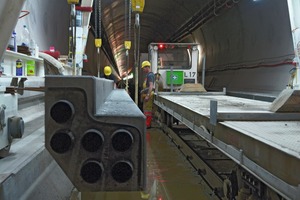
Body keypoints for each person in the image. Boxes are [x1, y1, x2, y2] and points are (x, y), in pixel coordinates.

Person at [140, 60, 155, 128]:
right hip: (146, 94)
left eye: (143, 68)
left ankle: (147, 124)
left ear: (147, 67)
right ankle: (147, 123)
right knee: (146, 109)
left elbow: (151, 86)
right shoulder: (148, 75)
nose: (143, 69)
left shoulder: (150, 75)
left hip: (149, 95)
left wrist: (148, 95)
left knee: (148, 110)